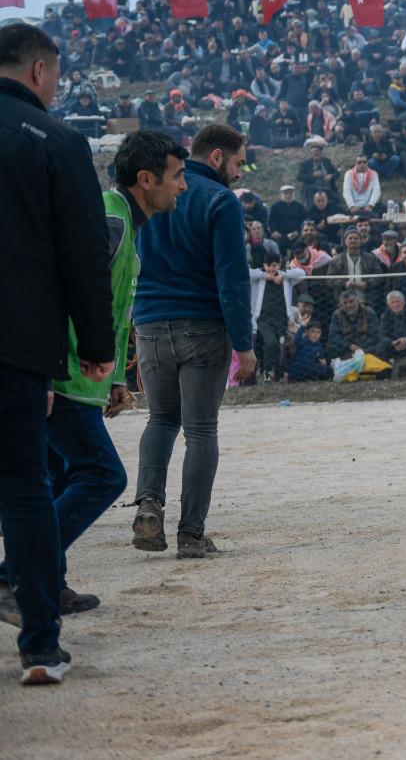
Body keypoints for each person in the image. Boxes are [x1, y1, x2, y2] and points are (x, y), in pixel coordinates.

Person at [2, 131, 188, 624]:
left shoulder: (121, 219)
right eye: (177, 176)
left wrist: (114, 381)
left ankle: (48, 582)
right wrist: (41, 372)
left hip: (77, 379)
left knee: (58, 477)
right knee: (103, 474)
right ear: (145, 179)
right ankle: (14, 574)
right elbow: (60, 291)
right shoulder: (108, 217)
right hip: (59, 376)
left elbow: (109, 304)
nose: (183, 187)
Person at [0, 23, 115, 685]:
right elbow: (82, 254)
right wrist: (95, 347)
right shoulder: (58, 141)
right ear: (41, 71)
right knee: (24, 490)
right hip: (17, 344)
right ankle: (40, 647)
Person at [131, 123, 255, 559]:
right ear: (217, 156)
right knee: (201, 430)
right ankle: (191, 533)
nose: (240, 173)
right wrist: (245, 343)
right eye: (239, 162)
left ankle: (148, 505)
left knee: (161, 420)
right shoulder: (220, 200)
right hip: (202, 326)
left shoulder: (149, 195)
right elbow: (232, 278)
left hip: (148, 323)